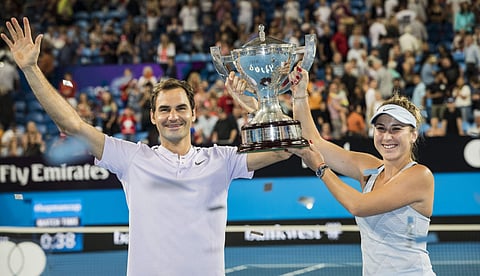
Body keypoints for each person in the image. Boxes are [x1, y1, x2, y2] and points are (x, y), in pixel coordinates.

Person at [1, 17, 290, 275]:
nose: (173, 116)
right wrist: (30, 69)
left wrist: (255, 105)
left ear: (193, 113)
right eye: (164, 110)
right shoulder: (130, 158)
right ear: (152, 116)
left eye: (180, 108)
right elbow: (72, 126)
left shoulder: (222, 159)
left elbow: (283, 149)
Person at [286, 65, 436, 275]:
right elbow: (314, 143)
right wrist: (300, 95)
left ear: (413, 135)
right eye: (381, 128)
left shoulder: (420, 175)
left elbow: (358, 206)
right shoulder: (370, 169)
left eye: (396, 129)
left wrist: (321, 169)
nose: (387, 137)